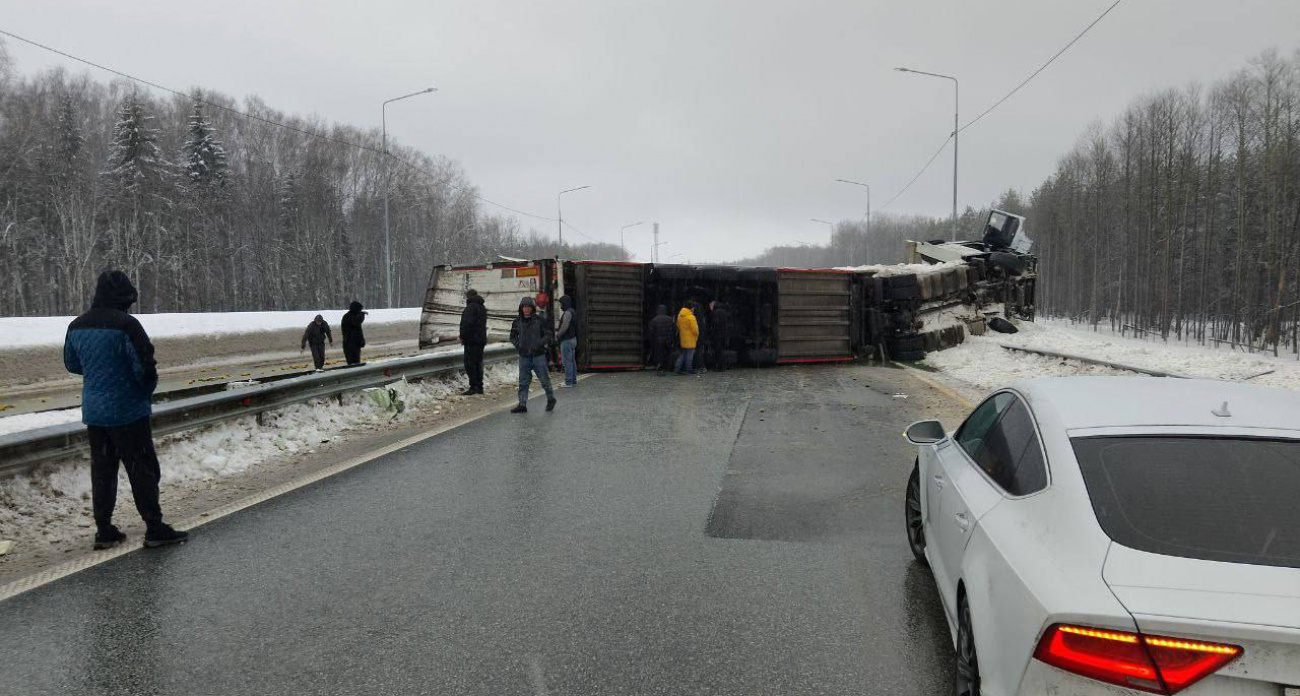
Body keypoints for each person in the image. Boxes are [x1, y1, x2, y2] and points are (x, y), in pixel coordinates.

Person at [63, 270, 188, 550]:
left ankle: (104, 530)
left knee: (103, 471)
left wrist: (98, 374)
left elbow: (72, 364)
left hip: (95, 413)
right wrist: (143, 391)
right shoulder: (127, 325)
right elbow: (144, 367)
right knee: (142, 469)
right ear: (124, 297)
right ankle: (154, 527)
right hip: (128, 411)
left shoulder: (77, 325)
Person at [509, 296, 557, 413]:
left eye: (528, 307)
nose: (526, 309)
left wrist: (539, 343)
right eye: (524, 307)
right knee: (523, 381)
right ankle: (522, 404)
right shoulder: (517, 322)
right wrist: (518, 345)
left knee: (544, 379)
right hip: (524, 355)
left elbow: (548, 335)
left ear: (532, 308)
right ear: (521, 308)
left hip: (538, 355)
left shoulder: (539, 320)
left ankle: (550, 398)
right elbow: (512, 336)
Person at [459, 289, 488, 396]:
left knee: (469, 363)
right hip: (480, 339)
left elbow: (466, 324)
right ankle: (479, 387)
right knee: (478, 363)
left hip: (471, 340)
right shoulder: (482, 307)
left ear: (468, 296)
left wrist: (463, 337)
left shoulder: (470, 308)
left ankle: (473, 386)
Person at [556, 295, 578, 387]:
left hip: (567, 340)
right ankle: (573, 380)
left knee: (567, 362)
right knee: (572, 361)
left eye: (561, 303)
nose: (560, 305)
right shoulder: (573, 311)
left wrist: (558, 335)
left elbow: (565, 326)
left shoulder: (567, 313)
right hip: (573, 339)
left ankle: (568, 381)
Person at [647, 304, 676, 374]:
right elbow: (674, 330)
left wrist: (652, 340)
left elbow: (651, 332)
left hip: (658, 341)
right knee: (667, 354)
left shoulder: (654, 320)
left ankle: (660, 367)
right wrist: (672, 338)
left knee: (659, 354)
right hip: (668, 340)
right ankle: (667, 367)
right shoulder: (670, 319)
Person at [674, 303, 700, 375]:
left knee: (682, 355)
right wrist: (697, 335)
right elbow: (695, 330)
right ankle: (689, 369)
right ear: (691, 308)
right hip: (691, 339)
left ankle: (677, 369)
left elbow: (678, 325)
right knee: (690, 355)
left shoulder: (680, 315)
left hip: (683, 338)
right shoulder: (691, 317)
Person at [341, 300, 367, 365]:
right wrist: (361, 316)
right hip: (350, 344)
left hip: (355, 344)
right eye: (359, 310)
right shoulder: (348, 317)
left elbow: (358, 330)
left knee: (356, 362)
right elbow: (356, 323)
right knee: (353, 363)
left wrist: (361, 340)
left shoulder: (351, 316)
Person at [709, 300, 733, 372]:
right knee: (721, 351)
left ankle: (720, 367)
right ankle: (723, 365)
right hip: (724, 334)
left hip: (717, 335)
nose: (710, 306)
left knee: (718, 351)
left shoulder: (715, 312)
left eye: (711, 305)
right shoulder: (724, 312)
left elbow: (715, 324)